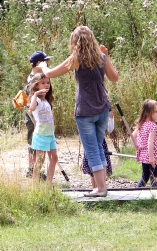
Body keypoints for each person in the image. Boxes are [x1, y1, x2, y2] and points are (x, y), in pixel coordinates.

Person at [39, 26, 118, 197]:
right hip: (103, 109)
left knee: (92, 149)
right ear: (92, 39)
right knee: (98, 147)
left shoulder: (76, 59)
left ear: (75, 41)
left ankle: (101, 188)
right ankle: (101, 186)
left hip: (85, 111)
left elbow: (51, 73)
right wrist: (107, 57)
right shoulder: (101, 58)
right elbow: (114, 78)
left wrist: (43, 66)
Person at [25, 51, 51, 178]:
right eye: (45, 61)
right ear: (38, 63)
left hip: (42, 116)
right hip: (33, 117)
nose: (48, 64)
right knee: (33, 142)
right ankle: (32, 169)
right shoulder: (32, 80)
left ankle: (36, 169)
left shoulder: (41, 78)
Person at [28, 73, 58, 183]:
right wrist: (35, 94)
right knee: (40, 160)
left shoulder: (46, 101)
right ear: (36, 85)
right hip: (41, 134)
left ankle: (49, 183)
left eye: (48, 83)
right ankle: (35, 184)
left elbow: (50, 119)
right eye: (43, 83)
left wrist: (53, 134)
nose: (46, 85)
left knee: (54, 158)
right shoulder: (36, 99)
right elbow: (31, 108)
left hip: (50, 134)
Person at [132, 99, 157, 188]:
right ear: (148, 112)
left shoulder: (142, 124)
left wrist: (137, 148)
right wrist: (152, 157)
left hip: (144, 156)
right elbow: (150, 142)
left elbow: (133, 136)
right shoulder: (153, 125)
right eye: (156, 112)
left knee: (145, 177)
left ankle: (138, 191)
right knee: (154, 177)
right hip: (153, 156)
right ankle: (155, 197)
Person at [82, 109, 115, 188]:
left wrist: (110, 117)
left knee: (101, 165)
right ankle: (95, 188)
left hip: (100, 142)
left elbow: (110, 129)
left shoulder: (104, 113)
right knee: (93, 168)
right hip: (91, 141)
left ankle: (101, 187)